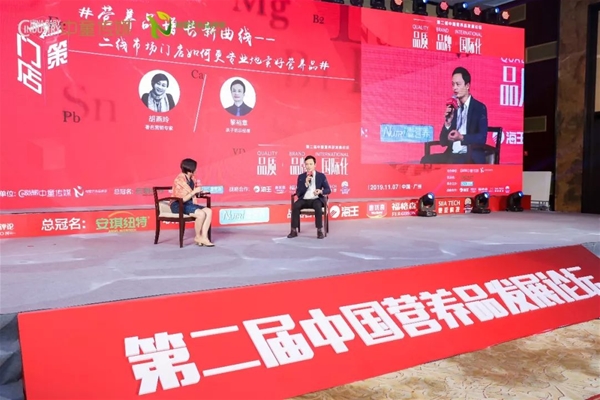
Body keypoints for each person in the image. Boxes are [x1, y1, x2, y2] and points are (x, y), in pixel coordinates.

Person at [421, 67, 489, 164]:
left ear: (467, 85)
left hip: (470, 156)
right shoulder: (454, 108)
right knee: (426, 160)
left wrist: (461, 137)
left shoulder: (479, 107)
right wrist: (447, 123)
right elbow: (443, 141)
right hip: (451, 155)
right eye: (453, 84)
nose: (454, 88)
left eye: (458, 84)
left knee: (454, 162)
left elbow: (482, 138)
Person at [170, 158, 214, 247]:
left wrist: (200, 192)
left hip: (189, 204)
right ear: (190, 169)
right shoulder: (179, 180)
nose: (196, 170)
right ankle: (197, 237)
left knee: (209, 211)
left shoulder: (192, 178)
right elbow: (182, 199)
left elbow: (192, 194)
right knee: (201, 214)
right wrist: (194, 192)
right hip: (178, 204)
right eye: (195, 168)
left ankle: (204, 237)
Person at [288, 155, 331, 239]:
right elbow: (298, 193)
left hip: (316, 199)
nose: (308, 166)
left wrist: (320, 191)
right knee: (295, 206)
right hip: (304, 199)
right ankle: (293, 230)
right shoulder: (301, 177)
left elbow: (328, 190)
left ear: (315, 165)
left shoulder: (321, 176)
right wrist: (306, 184)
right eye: (307, 164)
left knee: (318, 206)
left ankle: (319, 230)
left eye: (311, 164)